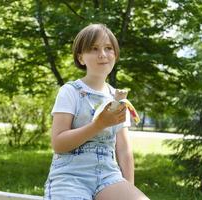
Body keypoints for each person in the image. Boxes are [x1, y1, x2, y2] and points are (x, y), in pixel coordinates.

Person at [43, 23, 149, 200]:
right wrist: (99, 124)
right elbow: (58, 144)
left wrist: (128, 188)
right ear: (81, 58)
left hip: (108, 177)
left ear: (115, 54)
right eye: (94, 48)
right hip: (70, 177)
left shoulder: (118, 98)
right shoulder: (70, 91)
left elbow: (123, 150)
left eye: (108, 48)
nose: (102, 55)